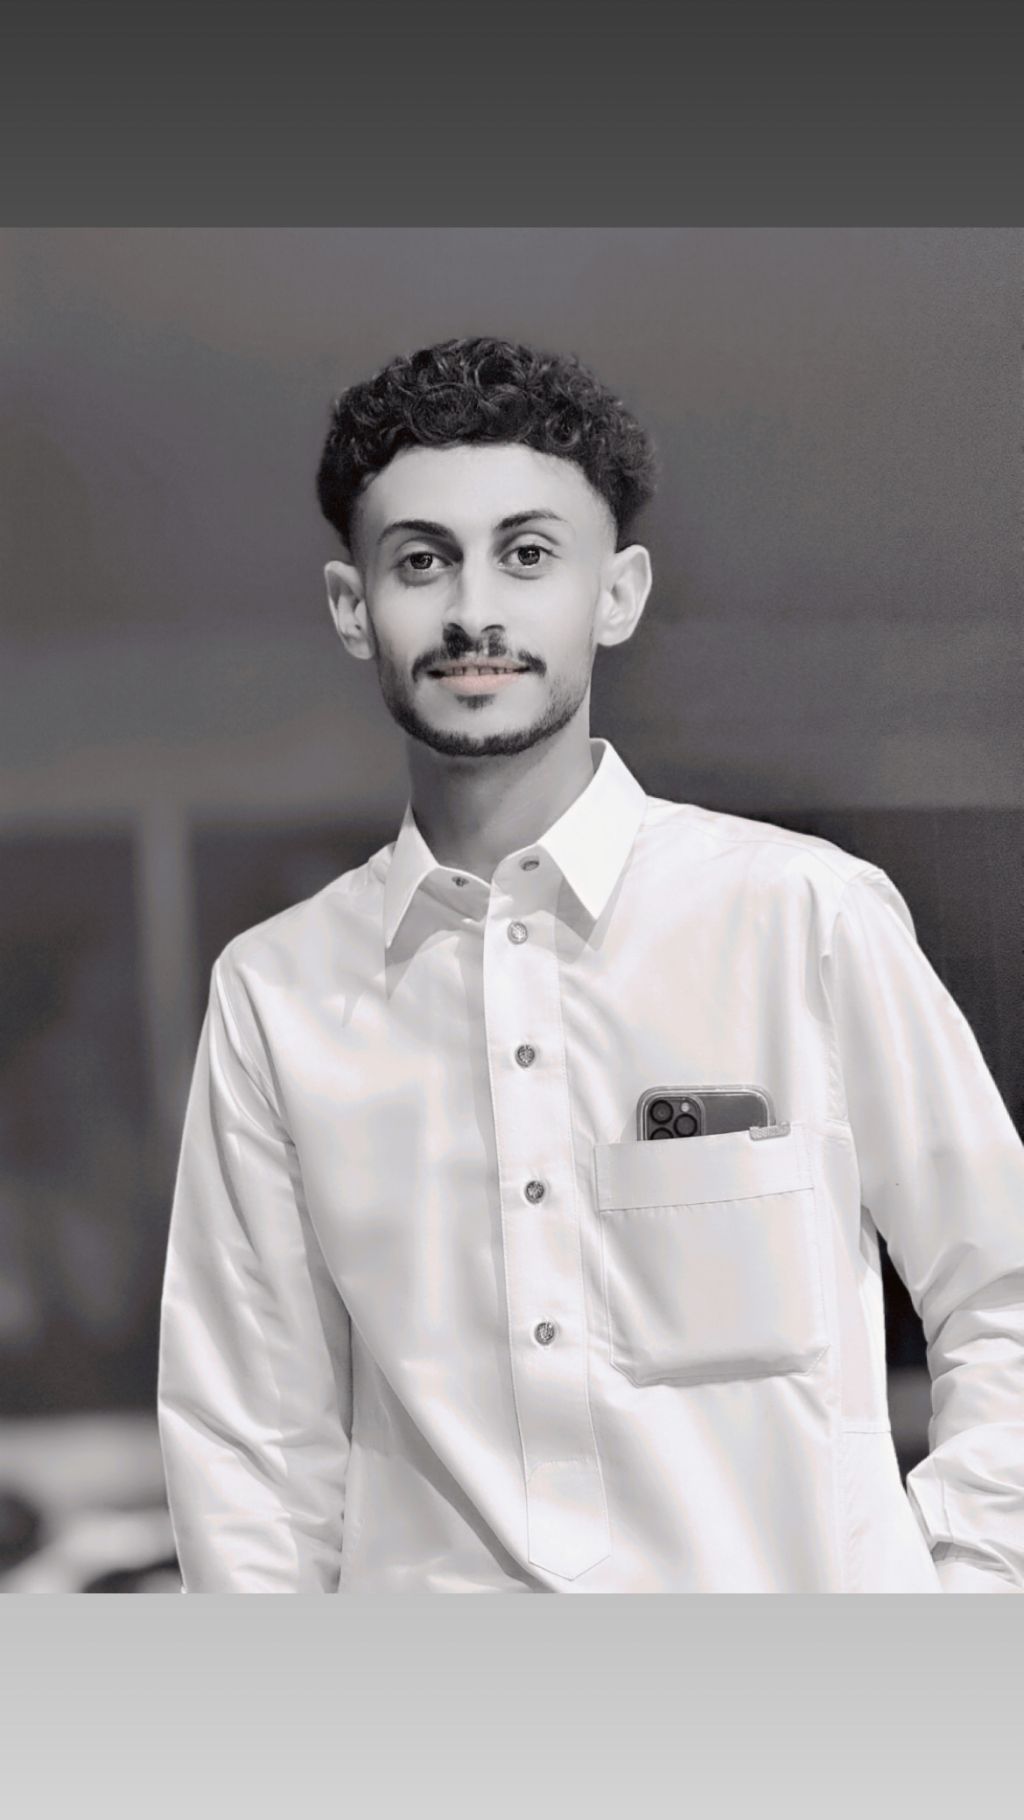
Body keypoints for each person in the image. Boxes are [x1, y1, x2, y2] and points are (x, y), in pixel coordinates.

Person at [157, 335, 1024, 1593]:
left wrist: (970, 1603)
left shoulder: (801, 915)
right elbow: (251, 1453)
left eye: (526, 554)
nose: (473, 610)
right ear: (353, 607)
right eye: (421, 560)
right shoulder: (276, 993)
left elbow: (1003, 1289)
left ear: (614, 594)